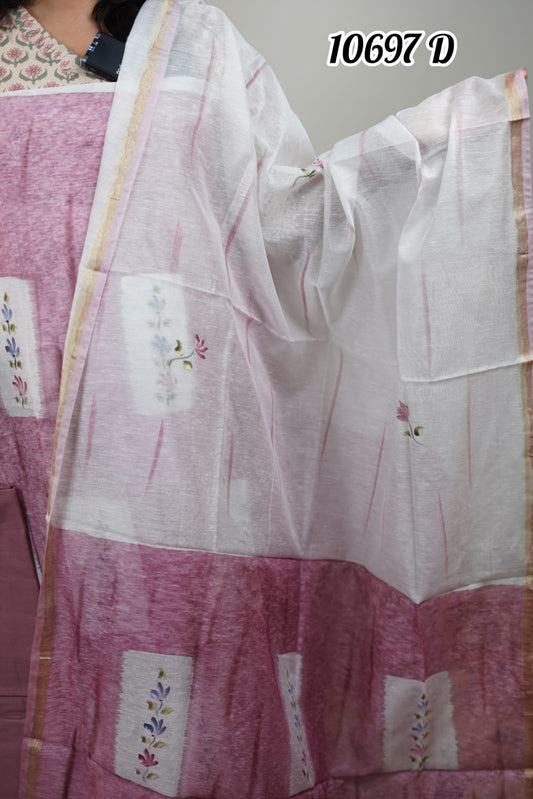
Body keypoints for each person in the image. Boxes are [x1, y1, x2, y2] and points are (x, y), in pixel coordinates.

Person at [1, 0, 532, 796]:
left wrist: (465, 138)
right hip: (17, 446)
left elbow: (286, 223)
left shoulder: (193, 37)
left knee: (181, 711)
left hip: (171, 458)